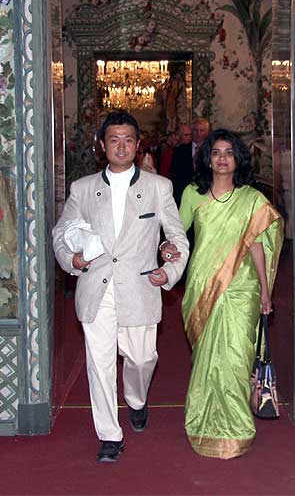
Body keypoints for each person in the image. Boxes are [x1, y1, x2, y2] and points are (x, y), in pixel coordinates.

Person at [52, 111, 189, 463]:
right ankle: (110, 435)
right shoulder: (83, 189)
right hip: (96, 289)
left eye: (128, 140)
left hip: (140, 289)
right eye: (114, 140)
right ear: (103, 145)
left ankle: (137, 400)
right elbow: (61, 233)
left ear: (138, 144)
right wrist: (72, 259)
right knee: (99, 364)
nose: (121, 146)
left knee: (142, 359)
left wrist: (169, 269)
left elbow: (176, 237)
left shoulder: (158, 187)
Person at [176, 128, 283, 459]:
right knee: (207, 358)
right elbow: (177, 234)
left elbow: (256, 246)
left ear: (239, 159)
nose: (222, 158)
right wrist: (166, 251)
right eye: (216, 152)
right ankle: (204, 421)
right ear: (207, 158)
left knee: (236, 357)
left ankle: (236, 427)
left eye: (229, 152)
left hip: (242, 288)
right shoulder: (192, 194)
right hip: (202, 285)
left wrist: (265, 291)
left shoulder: (251, 199)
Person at [170, 118, 209, 206]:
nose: (198, 133)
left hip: (206, 196)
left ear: (207, 132)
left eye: (202, 130)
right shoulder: (179, 150)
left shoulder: (212, 150)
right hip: (184, 196)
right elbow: (174, 175)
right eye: (196, 130)